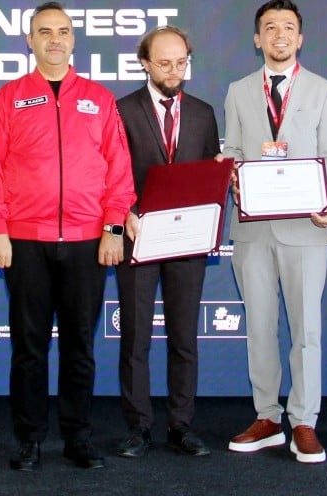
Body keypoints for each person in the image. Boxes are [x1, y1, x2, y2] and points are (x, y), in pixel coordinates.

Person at [0, 1, 134, 471]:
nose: (55, 39)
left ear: (73, 39)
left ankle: (77, 436)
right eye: (44, 31)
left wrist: (112, 227)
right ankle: (28, 438)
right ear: (30, 40)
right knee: (28, 347)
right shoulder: (8, 98)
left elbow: (119, 172)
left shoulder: (99, 99)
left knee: (80, 345)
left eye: (63, 31)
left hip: (88, 241)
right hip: (25, 241)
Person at [222, 0, 327, 464]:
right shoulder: (237, 91)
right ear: (257, 39)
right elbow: (232, 147)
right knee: (260, 327)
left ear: (300, 37)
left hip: (305, 227)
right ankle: (268, 416)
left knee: (306, 330)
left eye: (287, 27)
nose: (279, 35)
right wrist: (231, 173)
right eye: (269, 28)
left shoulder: (323, 90)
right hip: (253, 228)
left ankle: (305, 420)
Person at [114, 26, 219, 459]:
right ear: (144, 63)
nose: (174, 72)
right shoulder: (120, 110)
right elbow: (110, 174)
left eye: (181, 63)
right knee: (135, 336)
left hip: (187, 240)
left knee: (184, 336)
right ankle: (138, 426)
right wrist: (122, 214)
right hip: (138, 237)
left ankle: (181, 425)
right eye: (164, 63)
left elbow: (210, 177)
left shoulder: (203, 113)